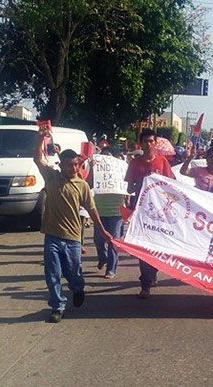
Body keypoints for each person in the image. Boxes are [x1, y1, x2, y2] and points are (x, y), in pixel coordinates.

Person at [34, 128, 113, 323]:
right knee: (52, 273)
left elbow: (92, 210)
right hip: (52, 235)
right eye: (69, 165)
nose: (73, 168)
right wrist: (40, 139)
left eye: (76, 165)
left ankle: (78, 288)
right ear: (61, 165)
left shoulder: (82, 185)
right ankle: (57, 306)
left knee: (74, 273)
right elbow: (38, 158)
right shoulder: (51, 177)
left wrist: (102, 231)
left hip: (72, 239)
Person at [125, 129, 175, 299]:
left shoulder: (162, 162)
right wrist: (143, 181)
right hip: (141, 213)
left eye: (151, 141)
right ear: (141, 144)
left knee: (156, 247)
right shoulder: (135, 163)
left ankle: (153, 272)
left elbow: (172, 184)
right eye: (145, 141)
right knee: (143, 248)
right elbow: (129, 188)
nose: (148, 144)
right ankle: (145, 284)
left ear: (155, 143)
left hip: (160, 213)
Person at [91, 147, 127, 279]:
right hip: (99, 211)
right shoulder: (96, 170)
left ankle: (111, 269)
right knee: (98, 240)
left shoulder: (120, 169)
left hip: (116, 212)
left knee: (113, 241)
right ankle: (103, 258)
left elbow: (128, 186)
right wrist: (92, 170)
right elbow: (89, 184)